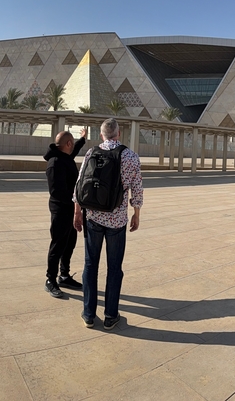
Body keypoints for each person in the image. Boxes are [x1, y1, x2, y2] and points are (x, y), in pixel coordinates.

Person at [74, 118, 143, 330]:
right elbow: (137, 188)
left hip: (93, 217)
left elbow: (80, 183)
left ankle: (88, 314)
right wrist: (136, 213)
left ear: (102, 134)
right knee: (114, 268)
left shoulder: (91, 152)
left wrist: (77, 211)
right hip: (117, 220)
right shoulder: (130, 156)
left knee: (90, 264)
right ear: (118, 134)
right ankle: (111, 315)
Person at [42, 127, 88, 299]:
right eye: (72, 143)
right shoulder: (55, 163)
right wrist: (77, 198)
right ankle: (50, 280)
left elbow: (73, 150)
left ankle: (64, 276)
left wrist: (82, 140)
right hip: (61, 209)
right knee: (58, 245)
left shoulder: (64, 156)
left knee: (69, 243)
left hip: (71, 209)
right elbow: (57, 192)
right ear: (67, 144)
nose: (73, 147)